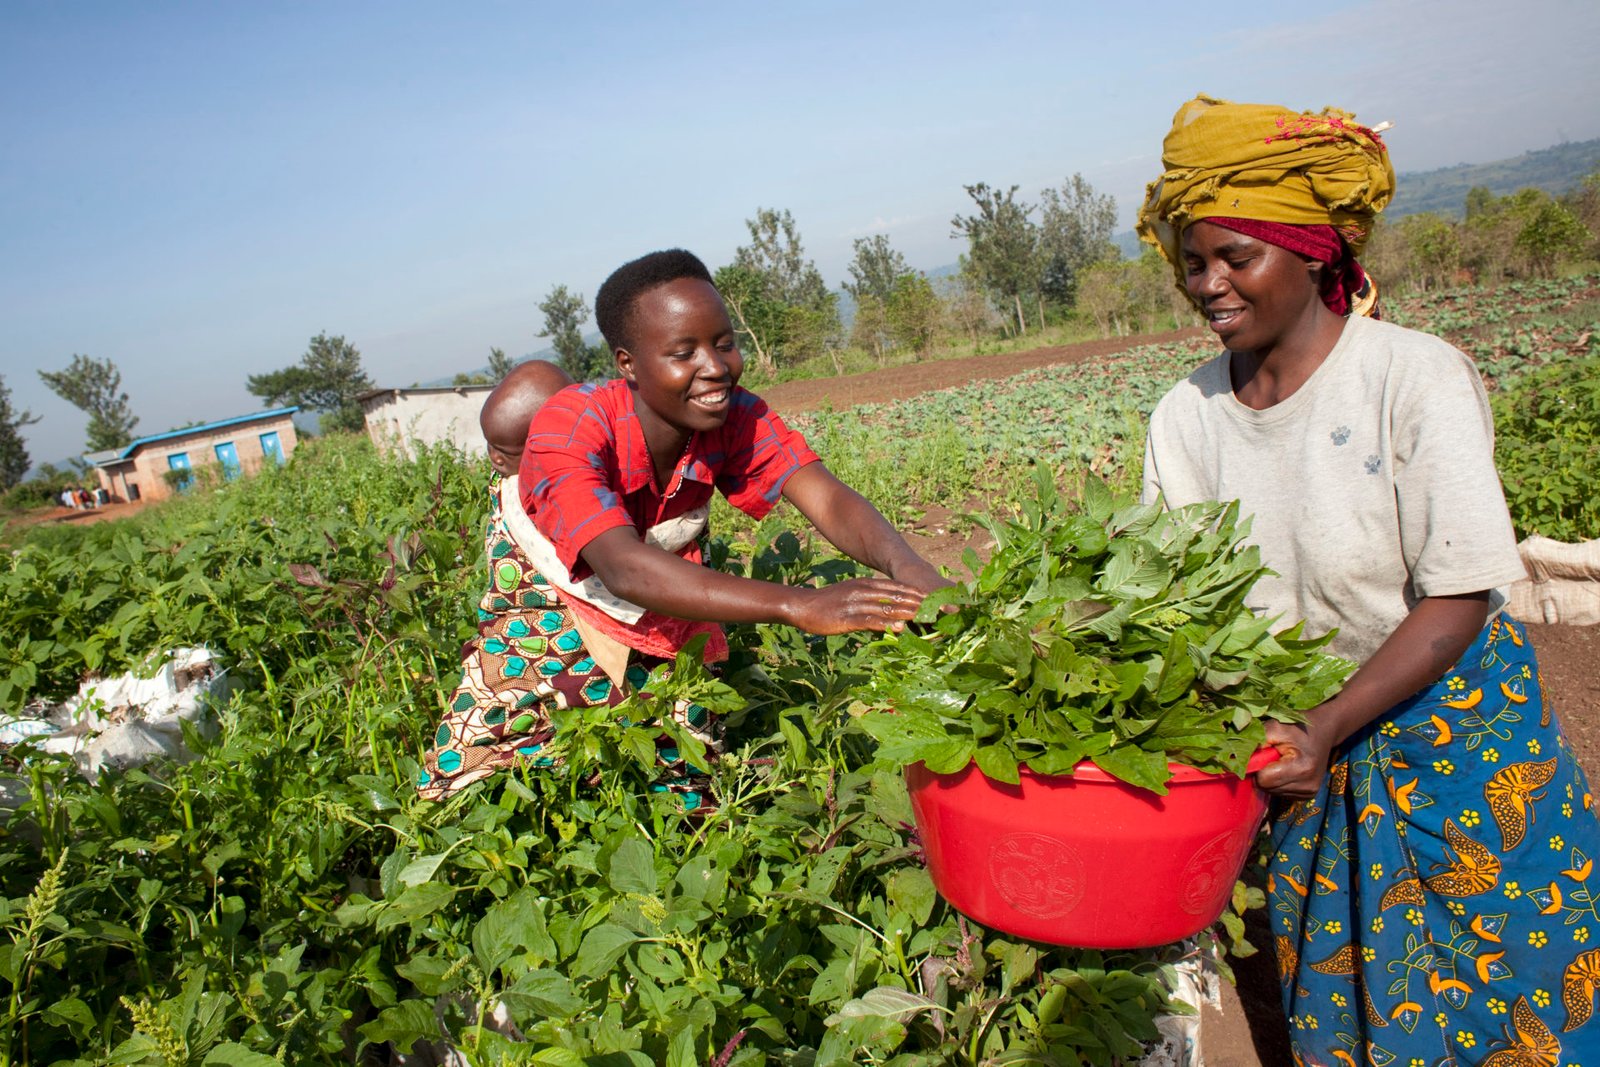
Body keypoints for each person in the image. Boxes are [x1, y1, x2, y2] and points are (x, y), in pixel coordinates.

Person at [1137, 95, 1600, 1065]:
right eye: (1192, 261)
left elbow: (1461, 592)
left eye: (1236, 256)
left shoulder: (1411, 377)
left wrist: (1328, 723)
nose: (1208, 284)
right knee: (1337, 1018)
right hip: (1294, 761)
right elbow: (1169, 600)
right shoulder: (1185, 420)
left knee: (1519, 997)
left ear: (1310, 252)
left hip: (1454, 740)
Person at [420, 250, 948, 802]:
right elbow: (622, 567)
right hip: (555, 563)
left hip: (656, 564)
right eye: (682, 353)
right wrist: (798, 604)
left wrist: (909, 566)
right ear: (628, 363)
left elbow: (826, 496)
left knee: (679, 766)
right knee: (490, 753)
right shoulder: (571, 426)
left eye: (724, 343)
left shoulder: (735, 415)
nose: (715, 367)